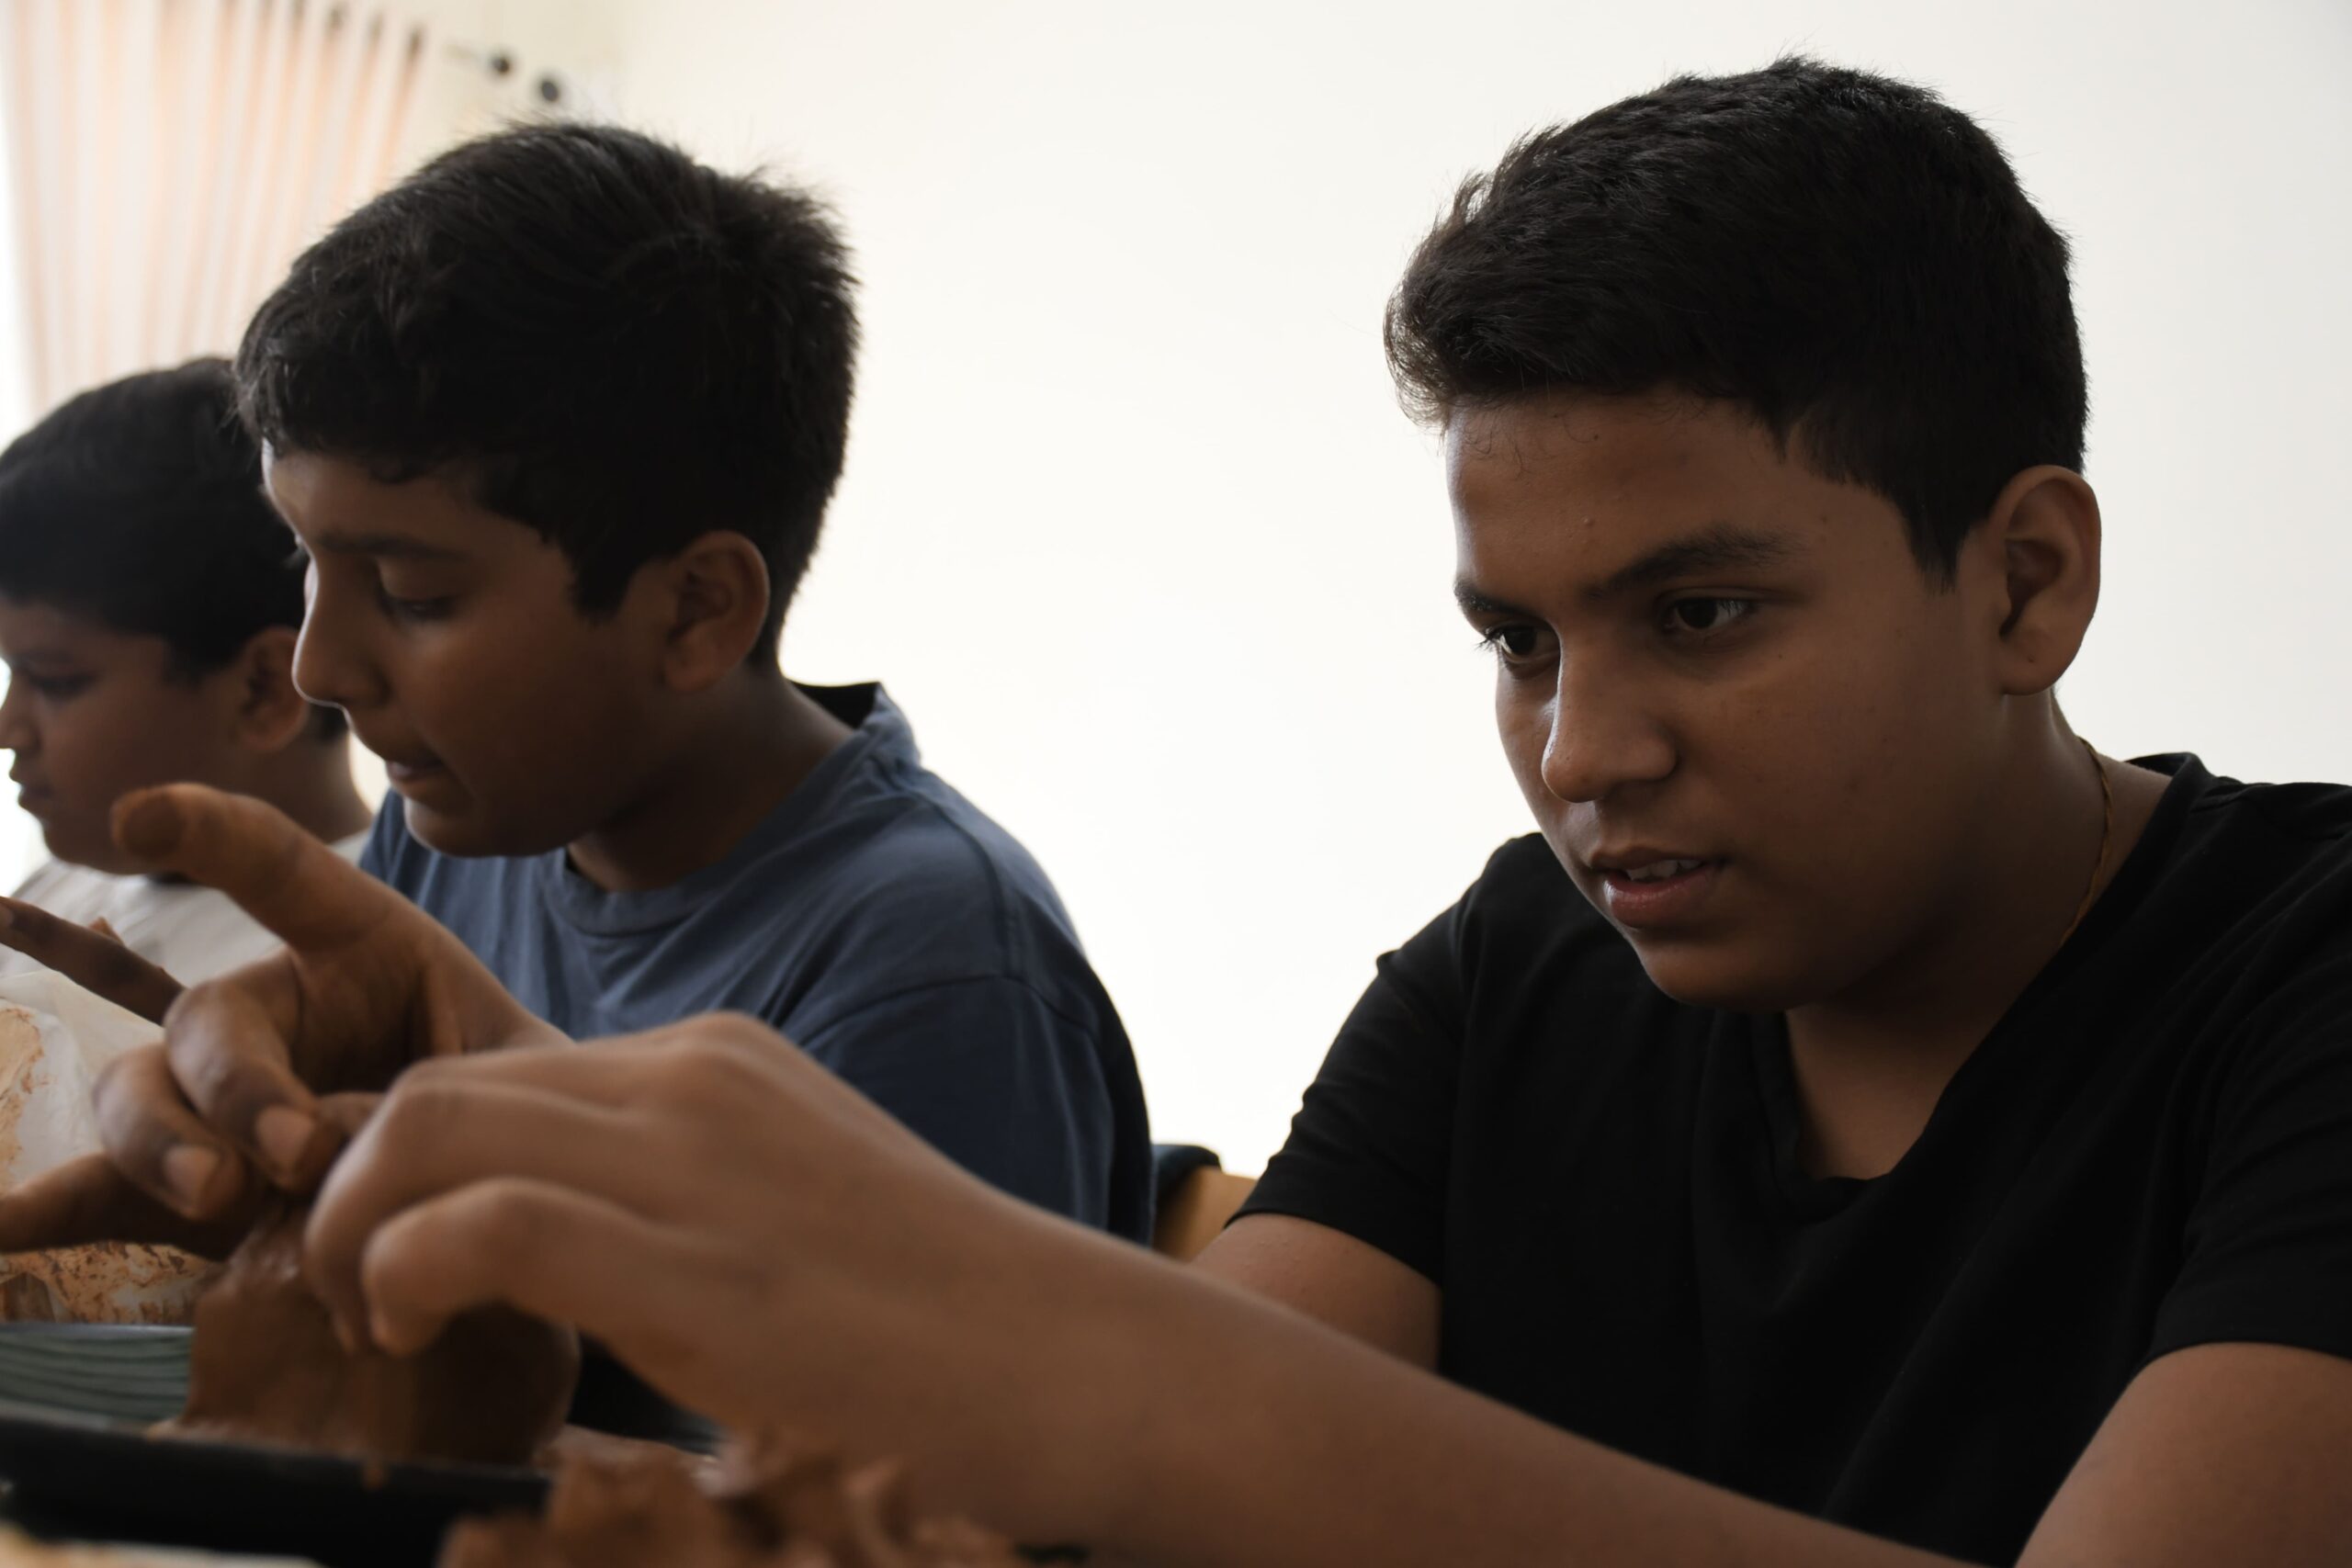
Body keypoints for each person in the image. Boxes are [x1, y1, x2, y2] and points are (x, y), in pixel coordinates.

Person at [6, 59, 2350, 1567]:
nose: (1581, 748)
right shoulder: (1518, 968)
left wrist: (1076, 1359)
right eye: (1516, 640)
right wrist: (493, 1253)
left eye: (1700, 614)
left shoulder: (2298, 977)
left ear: (2021, 578)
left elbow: (1169, 1417)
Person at [0, 125, 1149, 1239]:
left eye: (410, 591)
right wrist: (286, 1163)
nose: (320, 667)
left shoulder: (929, 969)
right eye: (307, 561)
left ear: (693, 609)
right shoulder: (454, 831)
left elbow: (913, 1382)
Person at [0, 359, 372, 997]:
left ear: (260, 691)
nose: (9, 729)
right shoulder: (58, 894)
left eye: (56, 681)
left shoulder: (380, 962)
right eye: (11, 673)